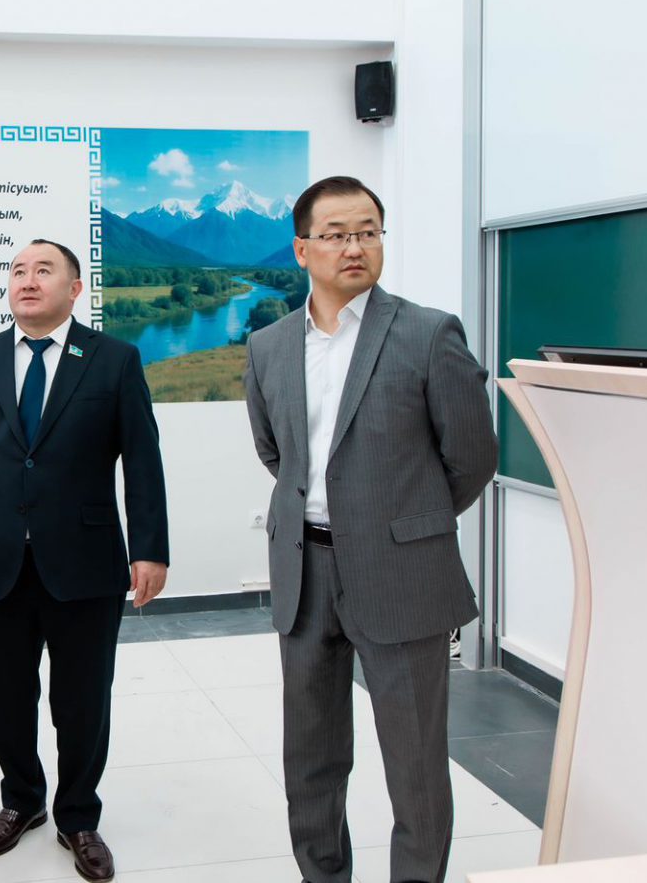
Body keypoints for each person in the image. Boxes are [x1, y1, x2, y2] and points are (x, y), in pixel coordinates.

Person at [242, 176, 497, 883]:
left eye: (368, 232)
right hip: (305, 570)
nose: (354, 247)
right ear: (302, 249)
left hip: (401, 570)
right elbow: (276, 452)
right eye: (336, 235)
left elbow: (472, 457)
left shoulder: (428, 333)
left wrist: (405, 522)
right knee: (311, 756)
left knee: (415, 761)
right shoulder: (268, 346)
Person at [0, 239, 169, 883]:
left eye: (43, 270)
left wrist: (150, 549)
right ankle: (21, 800)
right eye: (18, 271)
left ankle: (78, 815)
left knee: (83, 699)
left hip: (86, 561)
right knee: (9, 694)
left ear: (75, 289)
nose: (27, 280)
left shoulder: (113, 360)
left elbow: (142, 461)